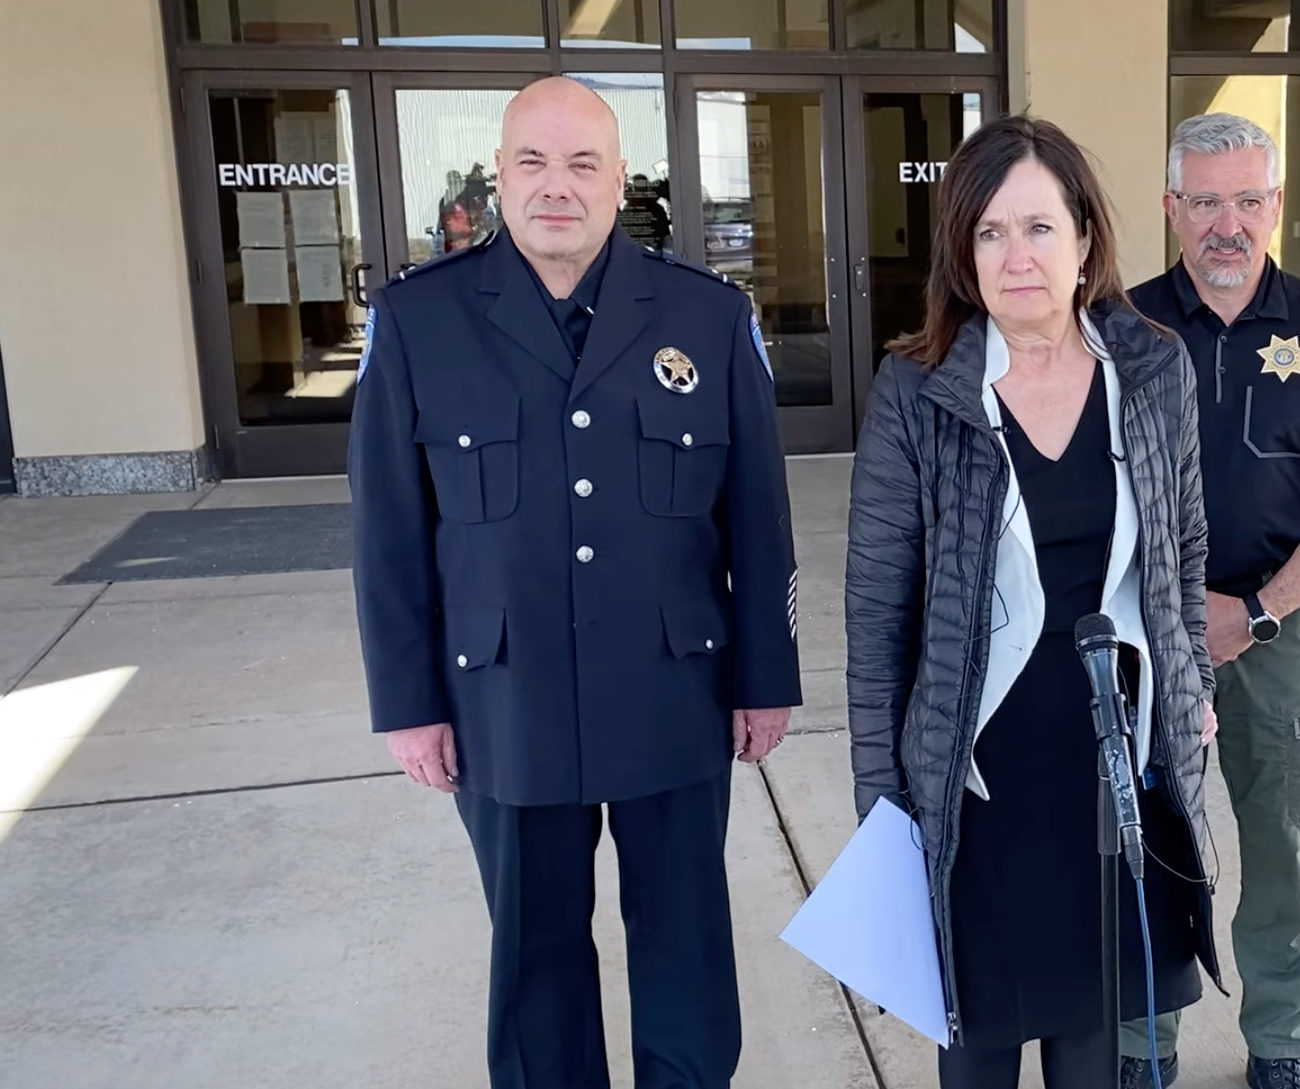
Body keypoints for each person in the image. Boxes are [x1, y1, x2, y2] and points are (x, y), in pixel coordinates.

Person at [347, 76, 802, 1089]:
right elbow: (387, 538)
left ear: (619, 181)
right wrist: (408, 705)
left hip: (672, 687)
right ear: (498, 177)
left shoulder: (708, 317)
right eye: (532, 163)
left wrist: (764, 679)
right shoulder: (419, 322)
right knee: (536, 956)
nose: (557, 186)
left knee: (683, 939)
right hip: (500, 696)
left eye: (582, 163)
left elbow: (758, 524)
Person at [844, 114, 1224, 1089]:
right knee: (975, 1052)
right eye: (989, 233)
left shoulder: (1150, 370)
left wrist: (1185, 687)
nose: (1017, 256)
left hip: (1108, 772)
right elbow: (876, 614)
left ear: (1085, 238)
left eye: (1039, 228)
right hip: (976, 785)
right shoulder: (917, 390)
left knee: (1092, 1043)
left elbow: (1179, 554)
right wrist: (881, 805)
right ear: (961, 257)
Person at [1121, 112, 1300, 1089]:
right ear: (1170, 209)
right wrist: (1166, 611)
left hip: (1281, 632)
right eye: (1203, 202)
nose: (1226, 224)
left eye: (1247, 200)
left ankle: (1278, 1043)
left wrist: (1255, 614)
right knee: (1145, 838)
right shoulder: (1119, 330)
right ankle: (1139, 1047)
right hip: (1142, 632)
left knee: (1281, 845)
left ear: (1275, 206)